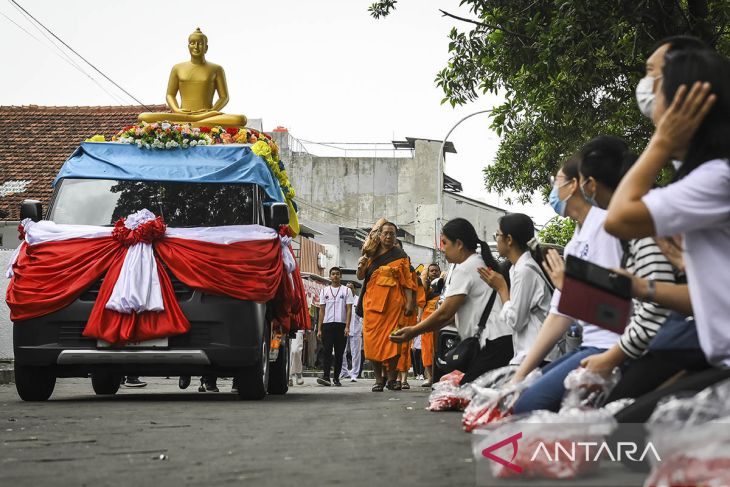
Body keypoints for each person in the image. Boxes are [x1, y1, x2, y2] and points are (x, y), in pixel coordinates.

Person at [604, 45, 730, 421]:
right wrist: (645, 286)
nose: (647, 91)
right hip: (717, 357)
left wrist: (660, 141)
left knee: (629, 436)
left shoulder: (716, 177)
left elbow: (619, 217)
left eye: (656, 82)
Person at [509, 153, 624, 414]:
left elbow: (617, 311)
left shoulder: (604, 229)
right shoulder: (574, 243)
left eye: (556, 181)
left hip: (611, 347)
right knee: (519, 396)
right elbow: (560, 313)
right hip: (588, 344)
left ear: (574, 185)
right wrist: (520, 376)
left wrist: (569, 289)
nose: (553, 189)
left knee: (529, 405)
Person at [567, 136, 676, 378]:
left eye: (581, 182)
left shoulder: (641, 225)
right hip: (637, 344)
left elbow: (655, 309)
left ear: (591, 185)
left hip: (657, 348)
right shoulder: (638, 223)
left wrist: (611, 357)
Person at [391, 218, 513, 385]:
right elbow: (450, 316)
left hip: (493, 342)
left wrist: (413, 331)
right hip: (498, 340)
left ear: (459, 244)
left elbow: (445, 313)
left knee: (467, 396)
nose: (443, 249)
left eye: (445, 243)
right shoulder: (478, 262)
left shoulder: (465, 268)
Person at [478, 213, 553, 366]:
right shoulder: (517, 268)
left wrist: (502, 289)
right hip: (528, 353)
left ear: (509, 240)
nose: (496, 239)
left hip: (537, 356)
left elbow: (516, 321)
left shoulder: (525, 271)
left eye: (497, 235)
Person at [138, 28, 247, 127]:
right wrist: (176, 110)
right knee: (144, 117)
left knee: (240, 119)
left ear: (206, 47)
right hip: (182, 115)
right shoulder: (177, 68)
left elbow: (224, 97)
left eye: (200, 43)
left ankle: (194, 120)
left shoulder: (216, 69)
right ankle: (193, 120)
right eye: (192, 43)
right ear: (188, 46)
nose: (196, 46)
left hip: (208, 115)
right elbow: (170, 95)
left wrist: (212, 111)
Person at [356, 222, 416, 392]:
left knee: (394, 342)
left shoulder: (400, 255)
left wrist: (410, 303)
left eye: (392, 234)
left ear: (395, 237)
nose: (389, 237)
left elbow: (407, 282)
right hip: (372, 305)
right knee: (372, 343)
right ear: (380, 235)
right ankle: (378, 380)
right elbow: (361, 276)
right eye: (386, 233)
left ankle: (391, 379)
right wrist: (361, 265)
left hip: (393, 306)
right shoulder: (370, 252)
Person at [317, 267, 354, 387]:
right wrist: (319, 328)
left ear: (340, 276)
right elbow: (321, 311)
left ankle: (337, 378)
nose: (335, 276)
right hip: (327, 325)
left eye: (337, 274)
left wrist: (347, 326)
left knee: (339, 353)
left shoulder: (346, 291)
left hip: (341, 325)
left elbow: (349, 310)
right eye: (333, 274)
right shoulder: (324, 291)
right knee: (327, 351)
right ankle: (326, 376)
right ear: (330, 276)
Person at [420, 263, 442, 387]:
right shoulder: (425, 286)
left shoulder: (444, 284)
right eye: (431, 271)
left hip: (441, 318)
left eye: (436, 270)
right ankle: (429, 377)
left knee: (438, 347)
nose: (434, 272)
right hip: (427, 318)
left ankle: (439, 376)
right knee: (427, 348)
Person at [340, 282, 363, 382]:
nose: (349, 290)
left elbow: (363, 316)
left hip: (356, 329)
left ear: (354, 289)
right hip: (344, 328)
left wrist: (362, 329)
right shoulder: (342, 299)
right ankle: (344, 372)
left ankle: (354, 373)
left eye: (351, 288)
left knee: (355, 353)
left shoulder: (359, 300)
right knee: (342, 351)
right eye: (347, 288)